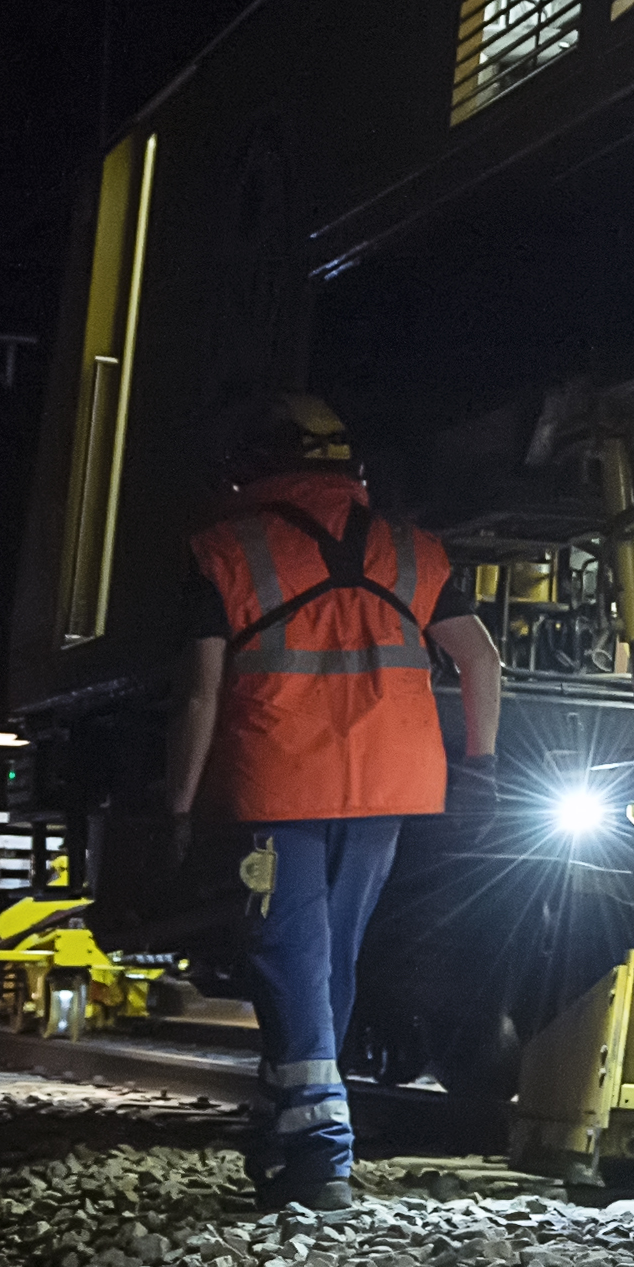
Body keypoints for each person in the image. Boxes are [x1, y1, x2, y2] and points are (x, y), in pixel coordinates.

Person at [165, 394, 504, 1216]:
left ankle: (321, 1151)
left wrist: (175, 809)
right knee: (329, 961)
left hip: (279, 784)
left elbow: (200, 700)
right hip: (391, 786)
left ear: (255, 464)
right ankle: (290, 1129)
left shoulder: (224, 550)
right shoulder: (414, 550)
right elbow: (481, 660)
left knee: (289, 959)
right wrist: (482, 764)